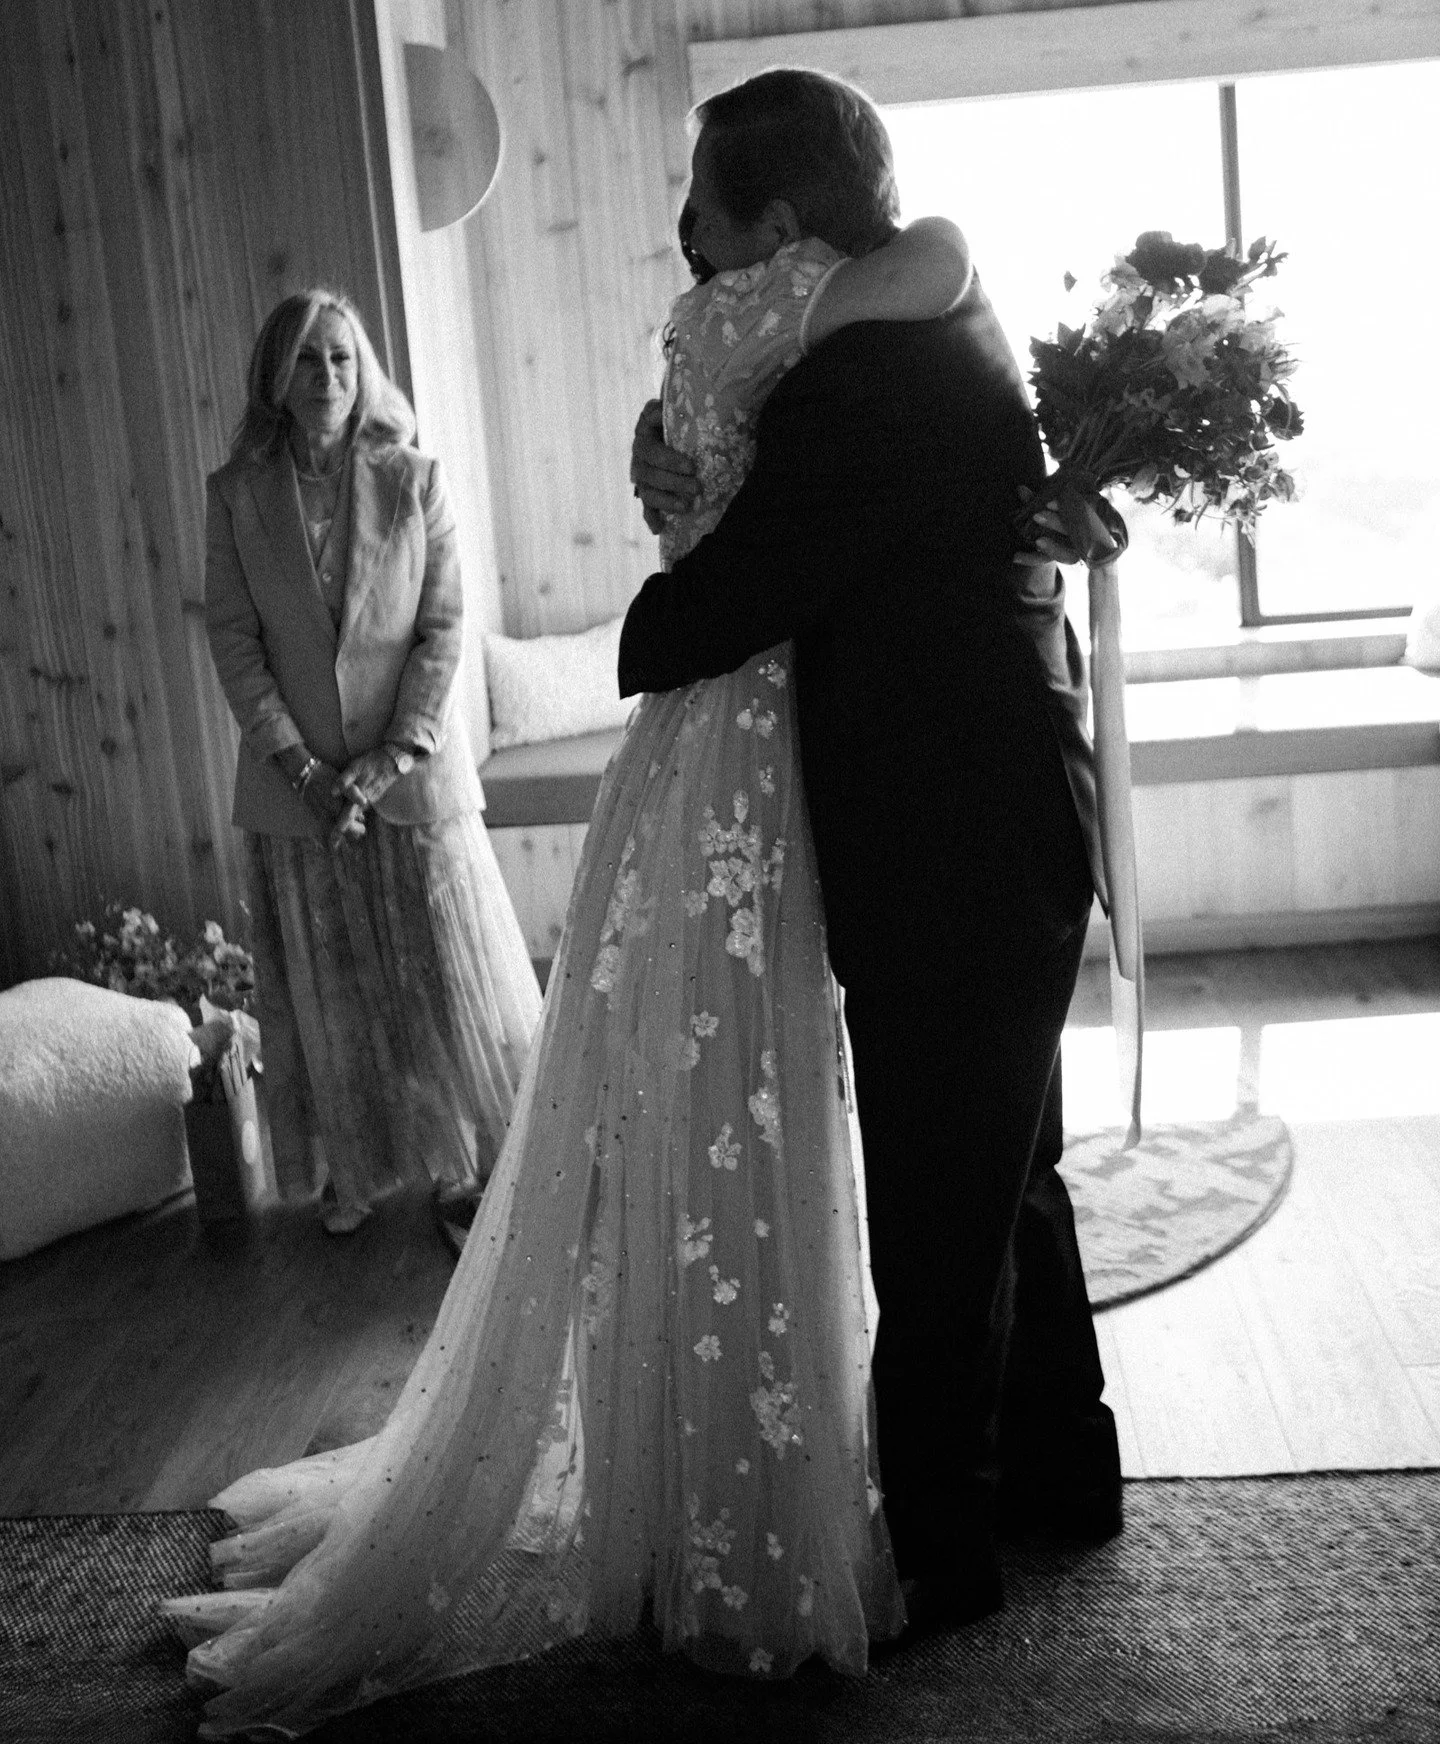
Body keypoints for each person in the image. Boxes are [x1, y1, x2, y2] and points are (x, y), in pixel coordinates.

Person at [161, 170, 972, 1733]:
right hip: (724, 731)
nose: (682, 224)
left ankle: (707, 1472)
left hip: (655, 741)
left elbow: (465, 620)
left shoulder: (685, 361)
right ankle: (719, 1489)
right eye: (302, 363)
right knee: (720, 1085)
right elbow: (939, 253)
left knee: (692, 1082)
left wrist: (400, 748)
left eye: (695, 196)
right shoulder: (769, 308)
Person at [623, 68, 1123, 1635]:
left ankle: (947, 1557)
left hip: (950, 853)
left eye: (703, 204)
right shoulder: (936, 323)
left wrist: (654, 596)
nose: (684, 235)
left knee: (936, 1208)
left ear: (777, 223)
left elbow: (719, 604)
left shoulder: (860, 386)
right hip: (1011, 826)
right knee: (1009, 1180)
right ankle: (1064, 1475)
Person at [204, 289, 541, 1236]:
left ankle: (464, 1167)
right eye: (308, 361)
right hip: (291, 786)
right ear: (277, 375)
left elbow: (442, 630)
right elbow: (235, 643)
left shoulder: (414, 478)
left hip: (413, 778)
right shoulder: (233, 496)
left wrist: (393, 758)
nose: (327, 380)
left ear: (366, 374)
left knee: (435, 975)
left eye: (343, 360)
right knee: (328, 987)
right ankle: (353, 1170)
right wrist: (304, 769)